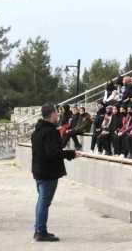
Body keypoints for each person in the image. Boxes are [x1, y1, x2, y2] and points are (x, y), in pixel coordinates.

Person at [30, 103, 77, 241]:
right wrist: (70, 154)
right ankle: (40, 232)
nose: (58, 115)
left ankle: (39, 229)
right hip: (47, 173)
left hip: (39, 171)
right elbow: (53, 153)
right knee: (44, 202)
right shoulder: (50, 132)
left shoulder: (37, 130)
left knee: (41, 201)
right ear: (51, 115)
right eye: (57, 113)